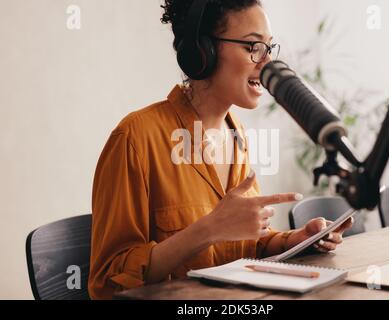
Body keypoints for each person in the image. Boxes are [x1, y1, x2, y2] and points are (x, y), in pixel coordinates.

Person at [88, 0, 353, 300]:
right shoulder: (135, 139)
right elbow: (107, 284)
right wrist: (208, 229)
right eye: (253, 46)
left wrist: (295, 240)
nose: (267, 63)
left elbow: (243, 247)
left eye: (269, 47)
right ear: (203, 52)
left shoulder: (236, 134)